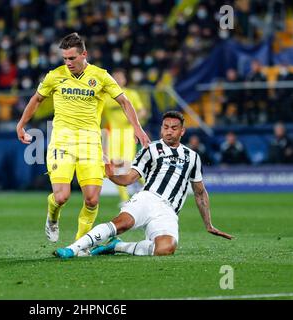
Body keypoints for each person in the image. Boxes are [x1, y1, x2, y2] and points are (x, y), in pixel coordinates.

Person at [16, 33, 150, 243]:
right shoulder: (55, 76)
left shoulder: (101, 76)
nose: (67, 63)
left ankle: (80, 244)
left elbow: (124, 101)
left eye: (72, 58)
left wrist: (138, 129)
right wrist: (21, 124)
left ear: (84, 54)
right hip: (61, 141)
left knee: (92, 199)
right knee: (61, 197)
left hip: (90, 143)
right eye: (64, 59)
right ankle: (52, 216)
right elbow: (37, 99)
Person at [54, 111, 233, 259]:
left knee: (165, 249)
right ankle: (72, 249)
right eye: (165, 127)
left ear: (182, 131)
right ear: (161, 129)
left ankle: (117, 247)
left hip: (168, 211)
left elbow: (200, 192)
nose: (169, 131)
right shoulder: (150, 149)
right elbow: (129, 179)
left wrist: (208, 224)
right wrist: (111, 174)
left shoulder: (193, 157)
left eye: (174, 128)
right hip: (147, 198)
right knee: (121, 224)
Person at [102, 68, 147, 206]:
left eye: (120, 77)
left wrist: (134, 119)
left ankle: (149, 190)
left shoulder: (131, 94)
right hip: (113, 134)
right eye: (115, 77)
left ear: (125, 79)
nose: (117, 80)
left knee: (128, 165)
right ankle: (124, 199)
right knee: (116, 166)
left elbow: (143, 111)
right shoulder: (105, 96)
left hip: (128, 133)